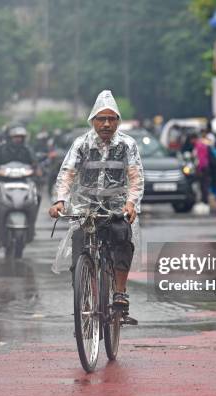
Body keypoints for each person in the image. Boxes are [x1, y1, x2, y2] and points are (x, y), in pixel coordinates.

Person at [48, 90, 144, 316]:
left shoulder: (127, 145)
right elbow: (67, 174)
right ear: (93, 121)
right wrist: (60, 200)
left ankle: (119, 292)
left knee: (122, 239)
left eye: (112, 119)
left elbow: (135, 177)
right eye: (102, 119)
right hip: (85, 208)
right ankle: (84, 302)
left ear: (118, 122)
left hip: (116, 207)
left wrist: (131, 204)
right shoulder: (81, 144)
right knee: (80, 249)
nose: (107, 124)